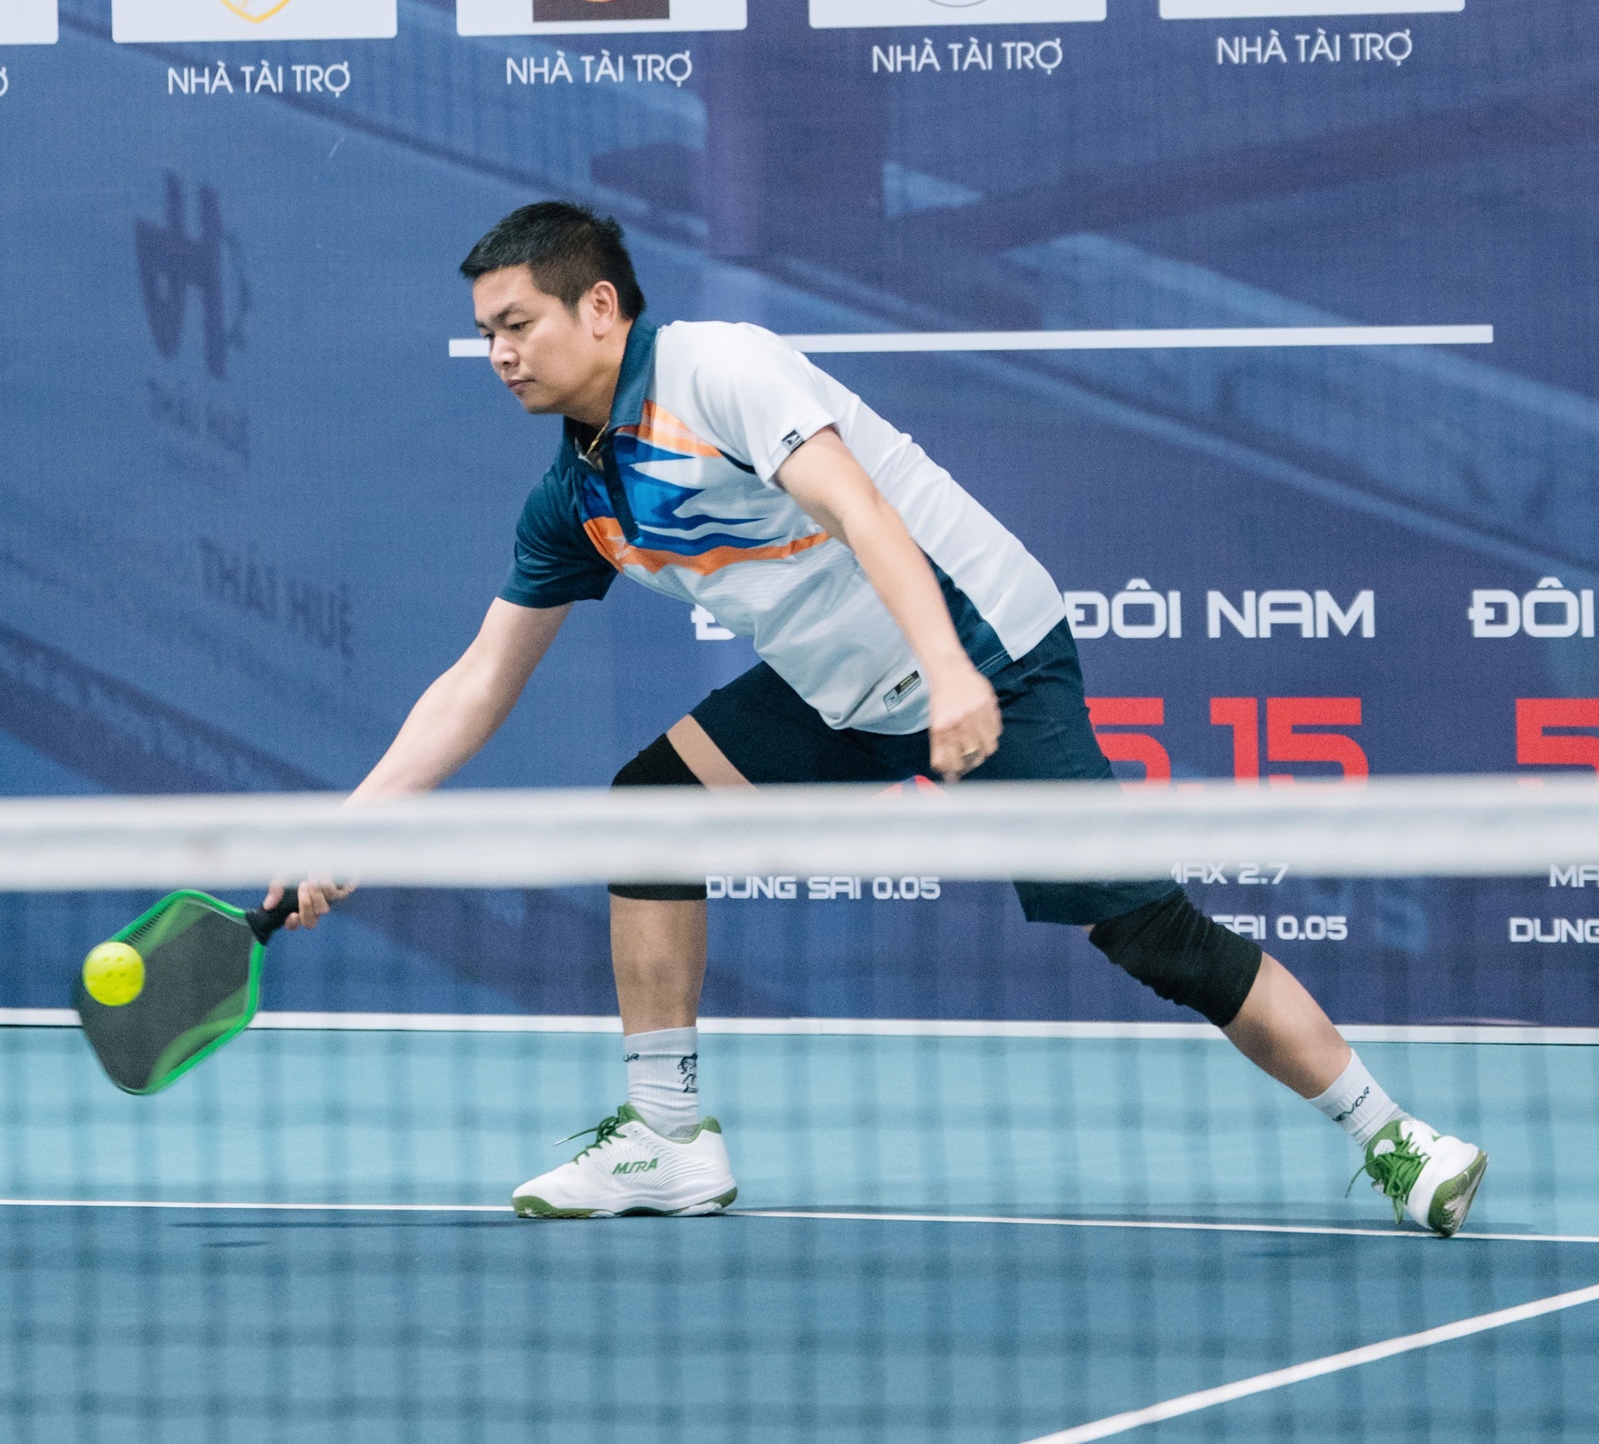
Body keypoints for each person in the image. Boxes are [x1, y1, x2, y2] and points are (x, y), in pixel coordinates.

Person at [277, 201, 1487, 1235]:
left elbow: (861, 509)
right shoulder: (575, 496)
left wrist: (953, 673)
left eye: (517, 323)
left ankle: (1396, 1138)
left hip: (987, 653)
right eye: (487, 332)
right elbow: (480, 679)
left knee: (1147, 932)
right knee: (651, 813)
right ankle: (668, 1136)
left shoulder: (717, 372)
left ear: (599, 308)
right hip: (840, 691)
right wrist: (352, 833)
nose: (498, 353)